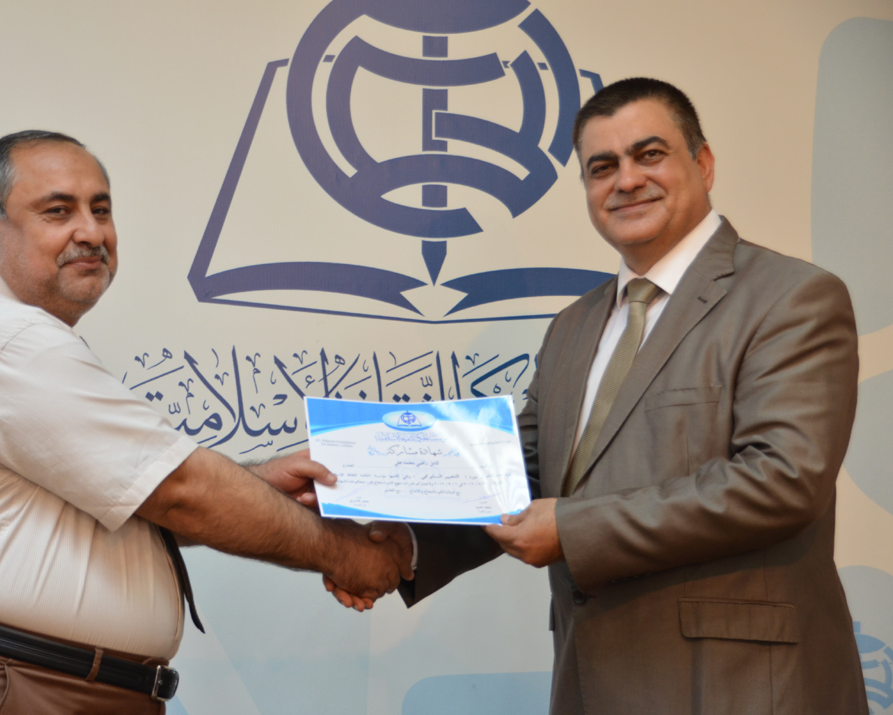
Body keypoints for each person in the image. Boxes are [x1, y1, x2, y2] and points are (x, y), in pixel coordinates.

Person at [337, 78, 868, 713]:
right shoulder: (573, 326)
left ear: (702, 163)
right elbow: (517, 470)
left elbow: (782, 481)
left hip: (741, 687)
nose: (627, 180)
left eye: (650, 155)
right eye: (602, 167)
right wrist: (405, 541)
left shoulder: (790, 297)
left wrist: (571, 530)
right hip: (595, 681)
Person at [0, 130, 412, 715]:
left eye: (101, 210)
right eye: (58, 211)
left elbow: (132, 498)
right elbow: (180, 490)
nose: (91, 233)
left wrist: (260, 483)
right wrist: (344, 553)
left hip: (30, 684)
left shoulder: (11, 338)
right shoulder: (8, 342)